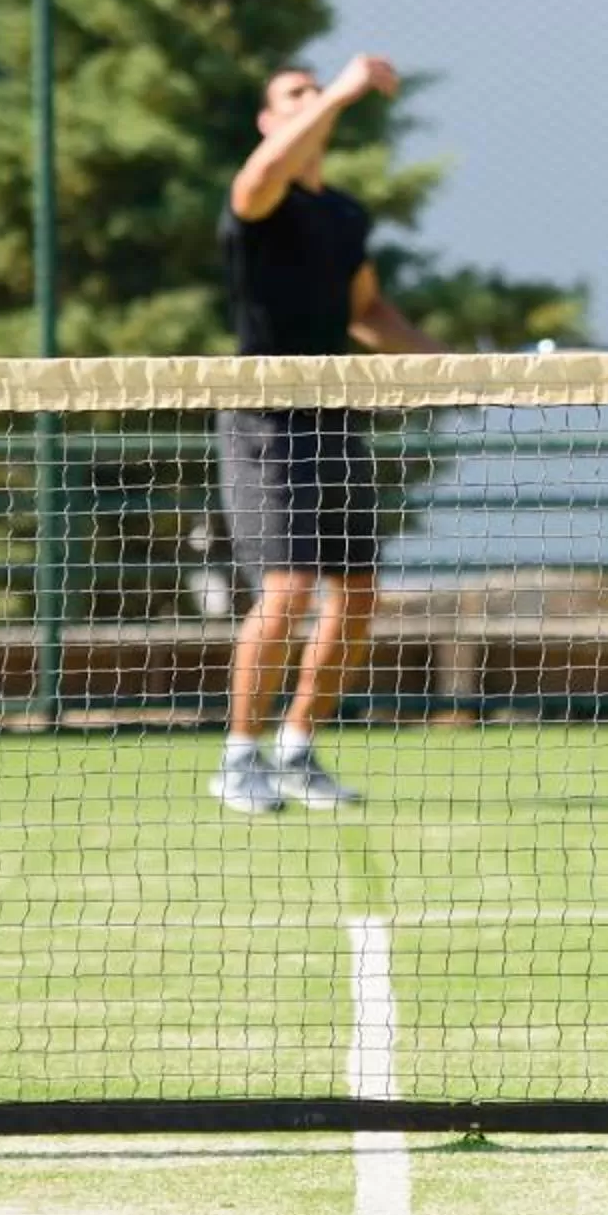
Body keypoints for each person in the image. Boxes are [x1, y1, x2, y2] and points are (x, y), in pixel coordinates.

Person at [212, 54, 436, 815]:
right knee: (287, 588)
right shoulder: (257, 195)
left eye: (316, 90)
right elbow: (263, 172)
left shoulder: (344, 216)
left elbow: (367, 313)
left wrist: (452, 364)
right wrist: (340, 89)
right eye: (294, 95)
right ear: (270, 120)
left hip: (335, 413)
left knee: (359, 592)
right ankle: (238, 758)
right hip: (265, 418)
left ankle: (297, 747)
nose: (310, 101)